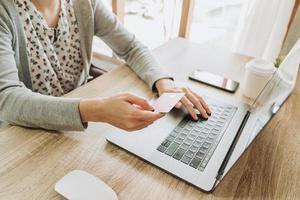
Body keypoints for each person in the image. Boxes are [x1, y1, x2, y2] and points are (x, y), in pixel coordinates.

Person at [0, 0, 211, 132]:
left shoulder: (85, 4)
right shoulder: (5, 12)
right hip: (23, 135)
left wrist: (164, 83)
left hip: (78, 131)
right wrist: (98, 110)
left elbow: (130, 47)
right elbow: (7, 99)